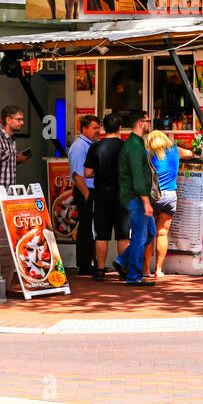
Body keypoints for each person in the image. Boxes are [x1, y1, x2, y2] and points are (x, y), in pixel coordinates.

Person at [84, 112, 128, 281]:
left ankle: (100, 270)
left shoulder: (95, 147)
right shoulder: (125, 146)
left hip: (101, 195)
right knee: (123, 234)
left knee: (101, 235)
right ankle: (123, 270)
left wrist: (100, 173)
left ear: (103, 128)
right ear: (119, 128)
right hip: (122, 196)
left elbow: (87, 173)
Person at [146, 129, 193, 281]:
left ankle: (145, 268)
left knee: (148, 233)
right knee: (162, 233)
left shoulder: (149, 153)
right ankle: (158, 270)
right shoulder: (175, 150)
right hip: (171, 196)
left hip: (154, 196)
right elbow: (190, 154)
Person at [117, 110, 158, 285]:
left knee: (150, 233)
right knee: (141, 236)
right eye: (148, 121)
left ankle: (123, 261)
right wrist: (146, 202)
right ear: (140, 123)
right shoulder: (134, 146)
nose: (150, 124)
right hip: (136, 198)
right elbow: (138, 177)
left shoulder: (135, 144)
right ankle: (134, 275)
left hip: (135, 197)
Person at [68, 114, 101, 276]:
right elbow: (77, 175)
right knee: (86, 228)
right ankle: (84, 264)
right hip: (85, 191)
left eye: (98, 127)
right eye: (94, 128)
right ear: (84, 129)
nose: (98, 131)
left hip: (91, 191)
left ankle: (92, 263)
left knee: (91, 227)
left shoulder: (90, 145)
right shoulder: (79, 146)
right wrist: (88, 196)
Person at [0, 105, 32, 191]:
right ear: (8, 120)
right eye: (18, 119)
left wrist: (17, 159)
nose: (22, 123)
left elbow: (5, 164)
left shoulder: (12, 140)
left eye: (22, 119)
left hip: (9, 193)